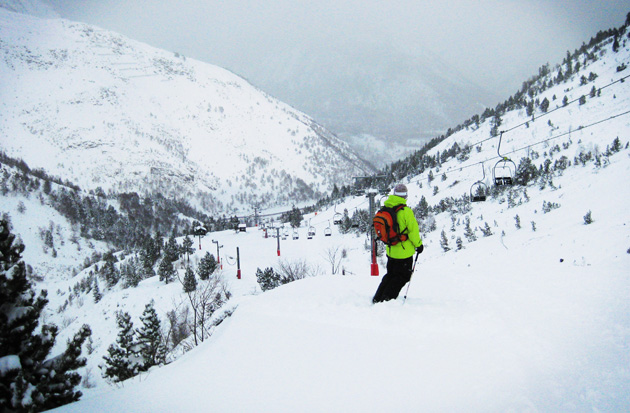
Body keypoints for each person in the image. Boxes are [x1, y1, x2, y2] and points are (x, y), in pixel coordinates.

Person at [372, 183, 423, 303]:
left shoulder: (386, 207)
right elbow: (413, 231)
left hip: (390, 250)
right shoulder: (406, 211)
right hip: (403, 252)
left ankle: (377, 297)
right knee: (402, 277)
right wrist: (419, 245)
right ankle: (387, 299)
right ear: (405, 196)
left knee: (390, 274)